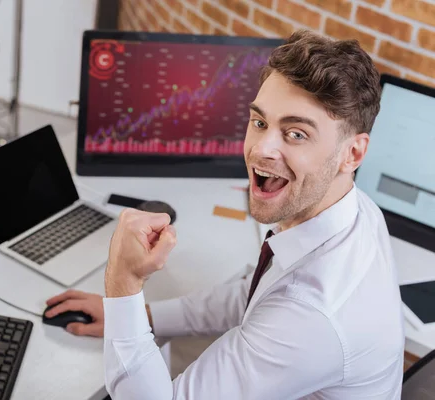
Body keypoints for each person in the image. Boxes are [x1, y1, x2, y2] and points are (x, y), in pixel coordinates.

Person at [45, 29, 405, 399]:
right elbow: (253, 295)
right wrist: (144, 317)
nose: (261, 149)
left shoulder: (312, 317)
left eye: (296, 134)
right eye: (260, 122)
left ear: (354, 154)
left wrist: (123, 283)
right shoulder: (355, 209)